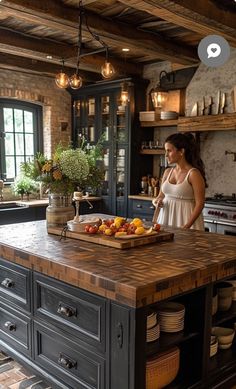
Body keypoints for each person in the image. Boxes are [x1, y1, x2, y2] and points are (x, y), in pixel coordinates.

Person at [153, 133, 207, 230]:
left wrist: (186, 226)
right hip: (165, 220)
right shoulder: (167, 172)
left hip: (186, 222)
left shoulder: (193, 174)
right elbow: (160, 196)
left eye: (169, 151)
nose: (166, 155)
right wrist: (156, 201)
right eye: (165, 151)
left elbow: (200, 204)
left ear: (181, 151)